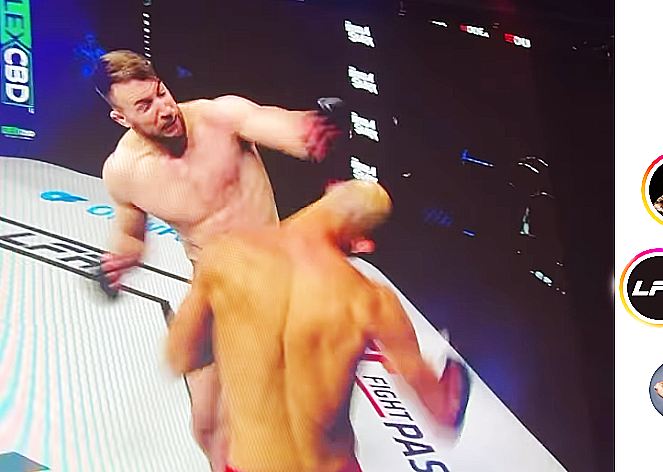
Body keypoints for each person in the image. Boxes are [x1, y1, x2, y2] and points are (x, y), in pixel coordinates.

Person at [94, 50, 341, 470]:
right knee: (207, 424)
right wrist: (118, 260)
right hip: (213, 293)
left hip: (274, 283)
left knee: (298, 424)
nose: (164, 109)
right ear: (121, 118)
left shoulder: (220, 117)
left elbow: (279, 125)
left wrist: (312, 128)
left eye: (161, 93)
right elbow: (131, 235)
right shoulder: (123, 171)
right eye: (144, 106)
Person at [165, 180, 471, 472]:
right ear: (363, 244)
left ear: (331, 189)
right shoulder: (372, 301)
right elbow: (442, 413)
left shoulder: (225, 257)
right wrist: (454, 377)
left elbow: (180, 357)